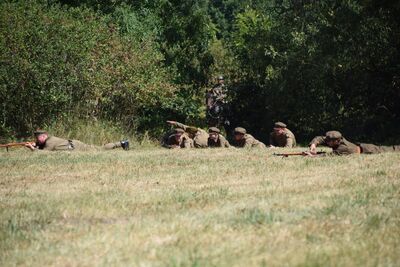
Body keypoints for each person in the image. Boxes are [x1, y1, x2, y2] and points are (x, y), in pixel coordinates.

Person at [308, 130, 400, 155]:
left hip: (368, 151)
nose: (327, 142)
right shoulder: (334, 140)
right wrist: (313, 144)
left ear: (336, 141)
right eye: (327, 140)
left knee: (388, 150)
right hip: (362, 146)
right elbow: (319, 138)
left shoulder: (343, 148)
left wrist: (314, 155)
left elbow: (330, 155)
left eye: (329, 141)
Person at [25, 130, 129, 151]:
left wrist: (32, 148)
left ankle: (122, 143)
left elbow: (45, 154)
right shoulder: (48, 140)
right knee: (98, 148)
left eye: (38, 138)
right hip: (73, 144)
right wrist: (36, 145)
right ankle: (122, 143)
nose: (37, 140)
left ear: (44, 136)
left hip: (75, 146)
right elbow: (42, 147)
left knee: (100, 149)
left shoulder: (50, 142)